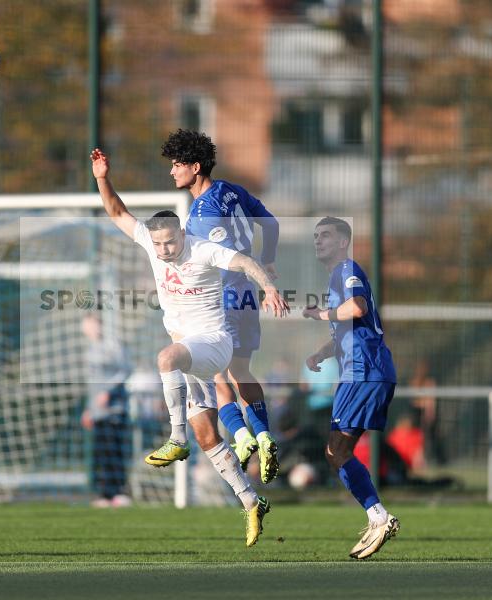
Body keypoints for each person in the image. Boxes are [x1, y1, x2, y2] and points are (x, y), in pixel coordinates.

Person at [90, 148, 289, 546]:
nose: (164, 250)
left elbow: (244, 262)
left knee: (167, 357)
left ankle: (174, 439)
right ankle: (252, 503)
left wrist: (267, 284)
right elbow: (116, 212)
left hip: (214, 343)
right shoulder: (151, 243)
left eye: (169, 243)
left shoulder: (201, 246)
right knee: (207, 437)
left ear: (181, 233)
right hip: (188, 350)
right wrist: (101, 177)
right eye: (158, 245)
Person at [161, 129, 281, 483]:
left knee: (213, 373)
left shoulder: (202, 214)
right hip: (248, 296)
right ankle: (263, 434)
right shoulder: (233, 191)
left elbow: (222, 255)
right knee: (240, 371)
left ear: (195, 167)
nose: (172, 172)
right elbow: (270, 224)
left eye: (177, 165)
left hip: (222, 300)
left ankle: (243, 438)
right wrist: (268, 263)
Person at [302, 217, 400, 560]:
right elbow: (349, 325)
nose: (318, 240)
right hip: (364, 370)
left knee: (336, 451)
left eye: (326, 235)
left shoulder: (346, 268)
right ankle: (376, 515)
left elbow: (356, 308)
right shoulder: (337, 277)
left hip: (363, 371)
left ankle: (378, 516)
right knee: (337, 451)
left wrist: (321, 314)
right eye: (315, 236)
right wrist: (321, 352)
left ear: (344, 240)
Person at [79, 314, 132, 508]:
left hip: (114, 410)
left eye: (92, 325)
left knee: (114, 452)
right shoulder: (89, 350)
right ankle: (104, 494)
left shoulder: (112, 346)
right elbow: (92, 385)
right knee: (101, 454)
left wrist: (109, 391)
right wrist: (88, 409)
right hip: (97, 412)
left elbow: (125, 370)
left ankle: (119, 492)